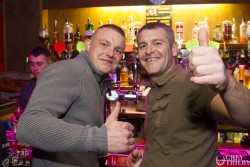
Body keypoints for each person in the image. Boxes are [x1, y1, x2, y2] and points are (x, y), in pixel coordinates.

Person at [126, 22, 250, 167]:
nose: (149, 51)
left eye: (157, 43)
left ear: (174, 49)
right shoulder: (154, 90)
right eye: (142, 46)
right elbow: (167, 146)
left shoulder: (193, 83)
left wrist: (227, 85)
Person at [16, 24, 135, 167]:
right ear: (88, 44)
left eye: (117, 50)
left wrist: (103, 139)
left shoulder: (96, 79)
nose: (110, 53)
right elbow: (29, 125)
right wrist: (101, 138)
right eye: (104, 44)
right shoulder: (70, 70)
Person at [11, 46, 51, 126]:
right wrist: (15, 118)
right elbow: (21, 110)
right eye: (32, 64)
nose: (35, 68)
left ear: (50, 63)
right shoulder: (28, 86)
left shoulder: (58, 84)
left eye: (39, 64)